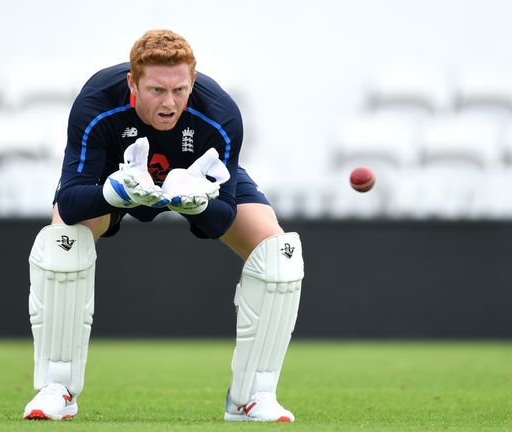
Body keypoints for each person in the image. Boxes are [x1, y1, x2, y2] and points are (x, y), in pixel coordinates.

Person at [23, 29, 304, 423]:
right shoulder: (96, 102)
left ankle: (250, 398)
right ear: (132, 83)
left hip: (193, 184)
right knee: (62, 241)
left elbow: (220, 218)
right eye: (155, 90)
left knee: (280, 256)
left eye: (180, 90)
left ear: (192, 81)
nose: (169, 103)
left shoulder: (220, 114)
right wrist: (116, 192)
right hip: (115, 179)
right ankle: (58, 389)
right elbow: (70, 201)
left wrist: (199, 201)